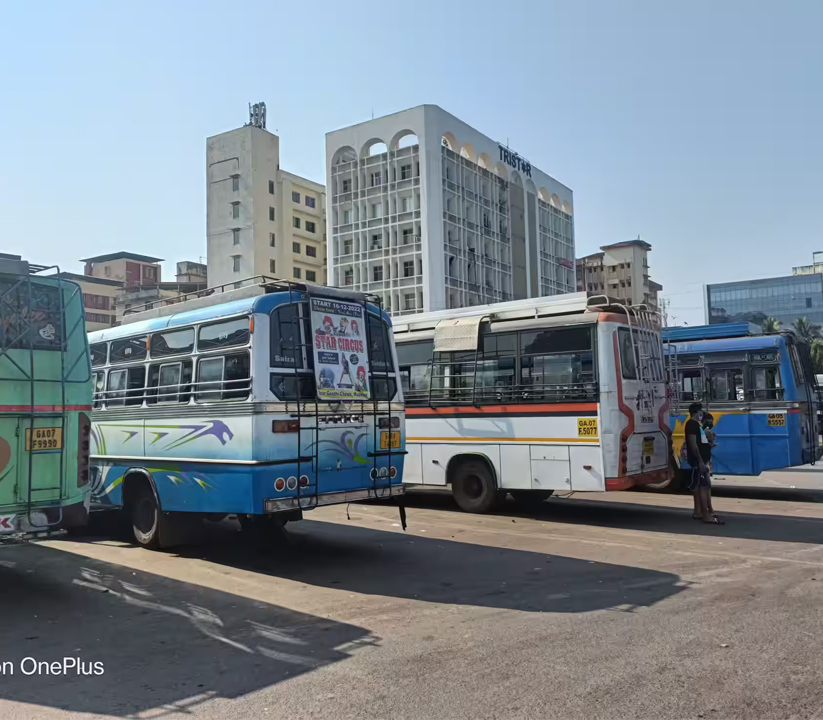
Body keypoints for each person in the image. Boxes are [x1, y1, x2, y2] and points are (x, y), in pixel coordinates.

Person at [684, 402, 723, 524]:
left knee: (700, 486)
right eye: (700, 412)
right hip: (698, 461)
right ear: (697, 412)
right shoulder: (691, 425)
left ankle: (699, 512)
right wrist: (700, 461)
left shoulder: (697, 425)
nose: (702, 414)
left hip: (702, 460)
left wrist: (709, 441)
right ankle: (706, 515)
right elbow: (694, 445)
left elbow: (701, 443)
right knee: (703, 487)